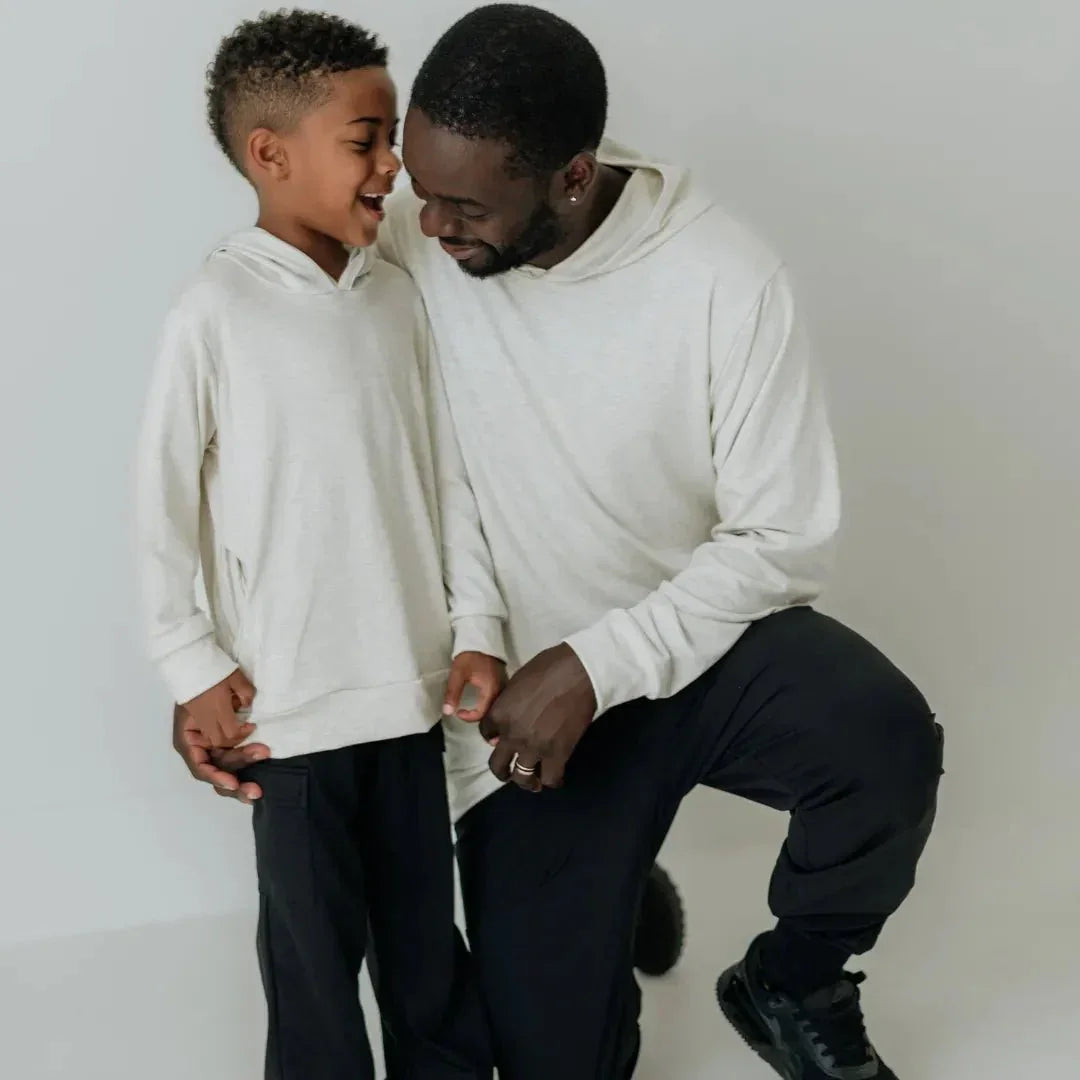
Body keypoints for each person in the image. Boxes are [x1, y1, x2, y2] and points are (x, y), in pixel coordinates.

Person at [191, 5, 944, 1078]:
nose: (429, 225)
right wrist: (206, 661)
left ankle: (796, 977)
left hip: (697, 648)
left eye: (466, 207)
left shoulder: (724, 276)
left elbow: (783, 538)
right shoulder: (409, 237)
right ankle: (614, 877)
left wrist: (599, 663)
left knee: (885, 742)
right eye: (419, 187)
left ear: (574, 178)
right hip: (522, 720)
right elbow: (265, 397)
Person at [136, 12, 505, 1079]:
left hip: (409, 701)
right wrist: (191, 664)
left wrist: (477, 624)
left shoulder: (395, 297)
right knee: (312, 968)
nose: (394, 165)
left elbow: (446, 476)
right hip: (289, 718)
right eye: (366, 140)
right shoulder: (214, 311)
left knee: (425, 951)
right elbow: (160, 504)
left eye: (391, 139)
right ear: (271, 153)